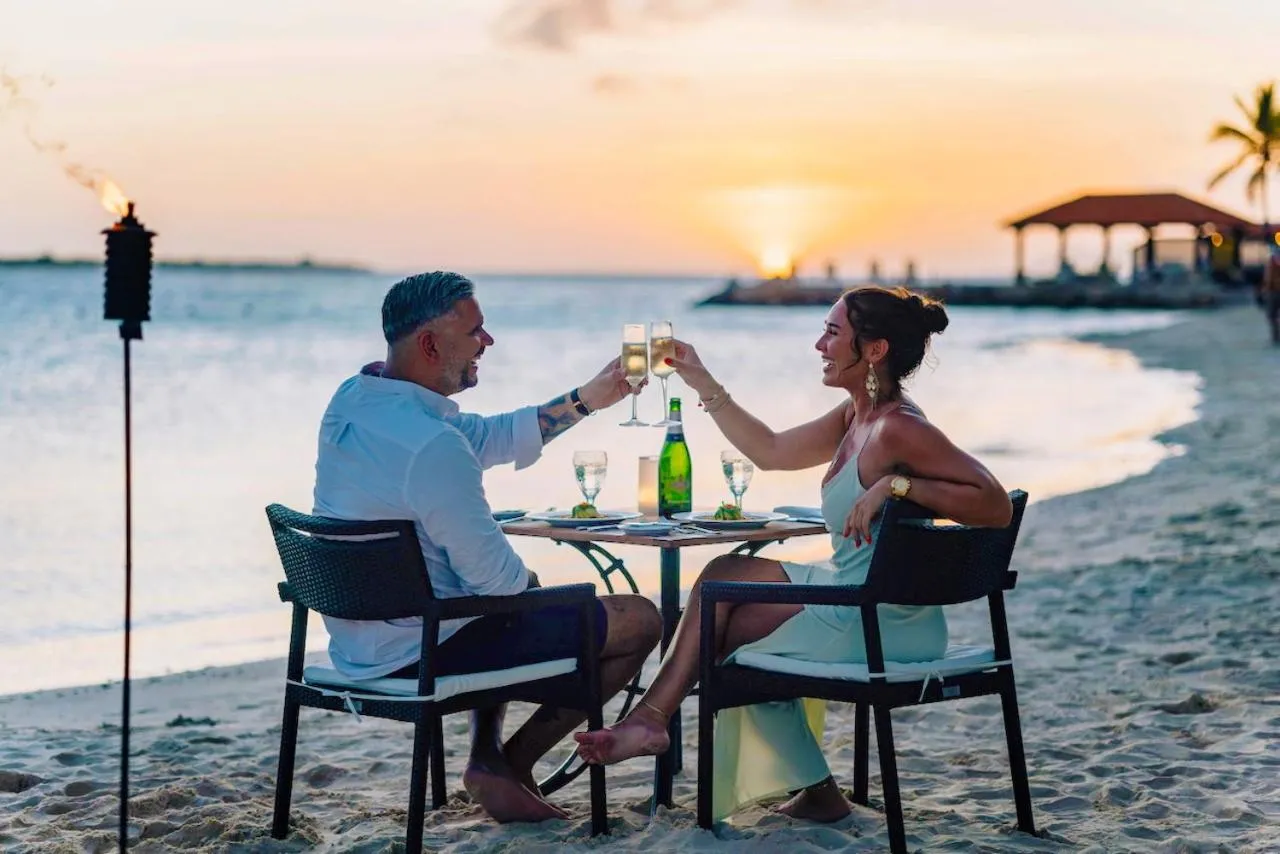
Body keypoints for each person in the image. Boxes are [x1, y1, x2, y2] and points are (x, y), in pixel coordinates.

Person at [573, 286, 1013, 822]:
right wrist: (701, 379)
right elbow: (772, 451)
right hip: (857, 603)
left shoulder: (899, 426)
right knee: (721, 600)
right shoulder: (856, 415)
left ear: (872, 351)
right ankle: (798, 784)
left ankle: (655, 722)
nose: (818, 345)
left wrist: (896, 486)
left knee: (720, 602)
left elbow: (994, 504)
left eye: (832, 333)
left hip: (886, 621)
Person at [312, 271, 662, 824]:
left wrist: (586, 400)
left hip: (359, 644)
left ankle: (486, 758)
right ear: (430, 343)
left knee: (499, 601)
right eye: (476, 331)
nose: (488, 342)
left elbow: (486, 436)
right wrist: (540, 591)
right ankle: (510, 763)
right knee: (638, 619)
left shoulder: (354, 400)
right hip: (420, 652)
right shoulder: (432, 447)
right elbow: (498, 583)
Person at [1263, 241, 1280, 345]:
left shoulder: (1272, 261)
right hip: (1273, 290)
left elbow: (1268, 278)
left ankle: (1276, 336)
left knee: (1272, 316)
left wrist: (1266, 289)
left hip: (1273, 291)